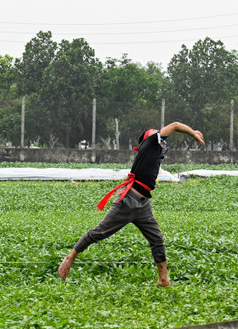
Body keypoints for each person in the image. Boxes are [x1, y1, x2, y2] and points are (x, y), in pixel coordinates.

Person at [58, 122, 204, 286]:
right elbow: (176, 125)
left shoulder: (153, 151)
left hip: (143, 204)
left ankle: (163, 279)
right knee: (99, 232)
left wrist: (192, 131)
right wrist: (193, 133)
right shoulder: (150, 142)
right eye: (155, 132)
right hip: (128, 201)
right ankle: (70, 258)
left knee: (157, 239)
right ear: (149, 137)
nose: (160, 133)